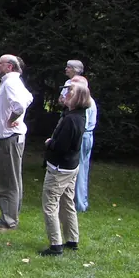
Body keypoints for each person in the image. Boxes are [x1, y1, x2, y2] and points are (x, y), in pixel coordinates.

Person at [39, 82, 91, 256]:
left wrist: (49, 143)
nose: (66, 94)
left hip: (60, 168)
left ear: (78, 98)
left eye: (70, 93)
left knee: (50, 204)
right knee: (67, 202)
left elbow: (61, 146)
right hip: (71, 166)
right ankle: (72, 239)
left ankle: (56, 245)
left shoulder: (71, 120)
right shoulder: (80, 115)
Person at [0, 54, 33, 231]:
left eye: (0, 63)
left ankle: (8, 221)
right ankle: (10, 216)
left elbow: (20, 106)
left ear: (10, 67)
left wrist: (12, 119)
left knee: (6, 180)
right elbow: (29, 98)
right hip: (10, 137)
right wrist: (17, 118)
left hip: (9, 138)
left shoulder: (11, 83)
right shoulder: (13, 81)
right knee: (12, 179)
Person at [70, 75, 97, 212]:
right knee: (82, 169)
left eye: (73, 86)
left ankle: (80, 204)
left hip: (83, 136)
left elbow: (82, 126)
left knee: (79, 170)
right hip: (86, 136)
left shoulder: (86, 104)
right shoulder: (88, 101)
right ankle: (80, 202)